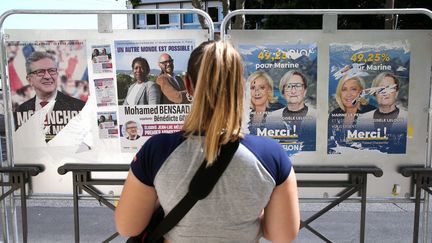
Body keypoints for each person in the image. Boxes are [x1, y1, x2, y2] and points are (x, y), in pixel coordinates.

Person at [115, 41, 300, 242]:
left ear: (188, 85)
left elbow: (127, 226)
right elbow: (283, 235)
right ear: (241, 86)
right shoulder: (271, 155)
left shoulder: (158, 150)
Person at [14, 51, 85, 140]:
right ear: (30, 80)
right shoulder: (20, 112)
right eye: (40, 72)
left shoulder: (80, 108)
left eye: (52, 71)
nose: (48, 76)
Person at [328, 75, 375, 143]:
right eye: (344, 89)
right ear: (340, 93)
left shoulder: (372, 112)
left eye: (353, 89)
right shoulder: (334, 114)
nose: (348, 94)